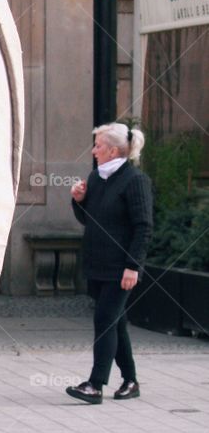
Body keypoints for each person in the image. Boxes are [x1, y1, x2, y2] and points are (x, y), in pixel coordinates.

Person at [66, 121, 153, 403]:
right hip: (98, 265)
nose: (94, 151)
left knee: (105, 320)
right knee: (115, 323)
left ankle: (95, 384)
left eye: (98, 146)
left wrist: (133, 266)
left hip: (120, 268)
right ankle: (130, 380)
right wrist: (78, 201)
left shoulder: (134, 180)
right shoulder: (96, 178)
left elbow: (143, 227)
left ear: (113, 150)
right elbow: (88, 221)